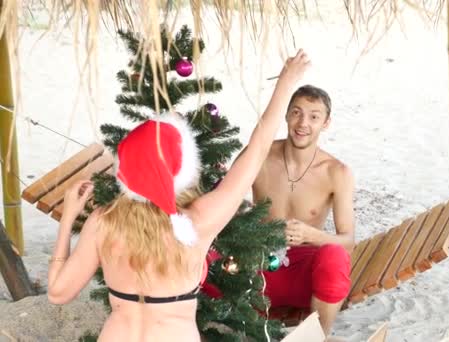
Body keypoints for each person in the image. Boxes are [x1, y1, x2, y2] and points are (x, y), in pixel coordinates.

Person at [46, 49, 311, 342]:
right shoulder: (197, 221)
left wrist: (68, 218)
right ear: (182, 169)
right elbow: (258, 149)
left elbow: (58, 293)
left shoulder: (102, 222)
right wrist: (286, 84)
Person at [252, 85, 356, 336]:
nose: (303, 123)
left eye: (314, 116)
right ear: (286, 115)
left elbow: (348, 241)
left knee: (335, 256)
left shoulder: (336, 172)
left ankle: (319, 336)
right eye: (296, 113)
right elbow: (225, 199)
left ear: (326, 123)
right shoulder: (259, 156)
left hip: (304, 276)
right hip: (257, 269)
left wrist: (311, 235)